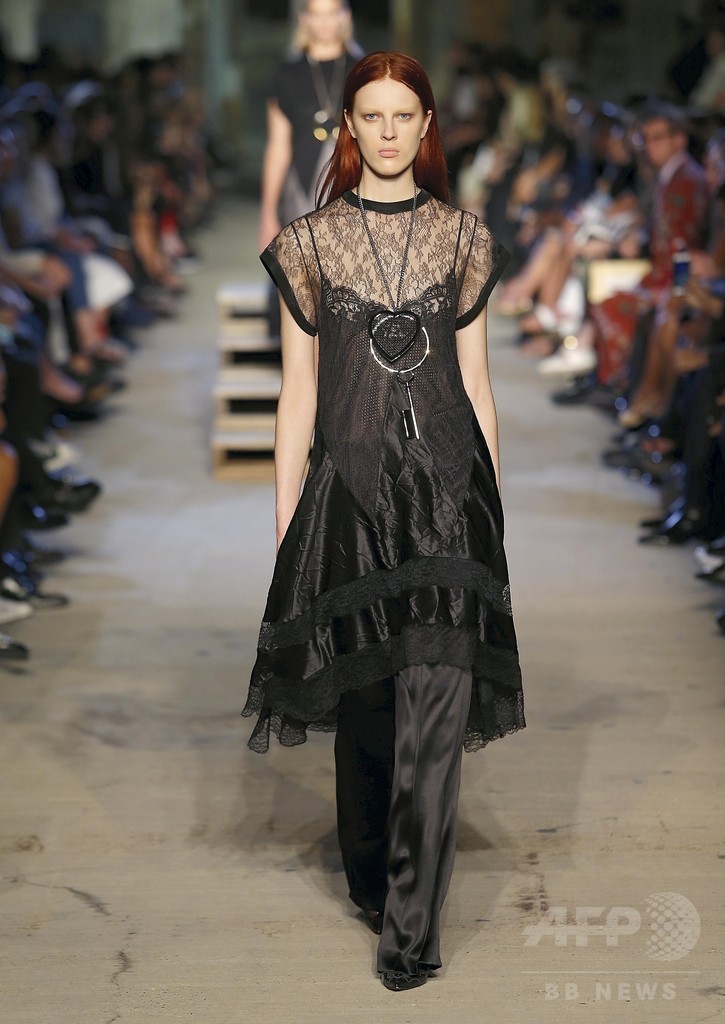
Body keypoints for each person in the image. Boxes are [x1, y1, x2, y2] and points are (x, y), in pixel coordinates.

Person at [242, 52, 525, 992]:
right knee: (367, 713)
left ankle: (409, 930)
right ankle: (373, 874)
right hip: (351, 501)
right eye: (373, 115)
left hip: (448, 499)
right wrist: (286, 514)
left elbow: (476, 380)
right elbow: (297, 393)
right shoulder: (309, 244)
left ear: (426, 124)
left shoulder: (462, 237)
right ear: (349, 127)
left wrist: (492, 509)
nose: (390, 130)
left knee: (434, 712)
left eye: (406, 114)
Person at [258, 0, 361, 252]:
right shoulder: (286, 75)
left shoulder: (364, 70)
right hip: (302, 187)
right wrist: (268, 212)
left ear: (345, 16)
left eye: (331, 14)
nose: (324, 22)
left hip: (355, 183)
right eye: (317, 14)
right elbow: (278, 145)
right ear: (304, 19)